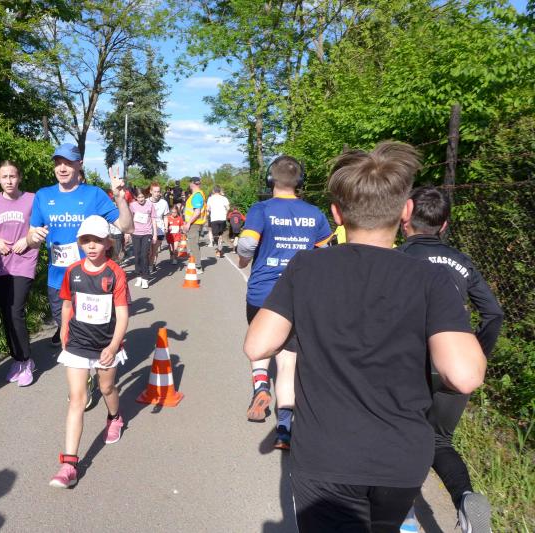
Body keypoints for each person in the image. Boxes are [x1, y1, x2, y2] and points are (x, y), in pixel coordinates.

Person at [243, 141, 486, 532]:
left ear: (337, 214)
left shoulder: (306, 267)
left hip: (325, 456)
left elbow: (258, 345)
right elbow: (465, 376)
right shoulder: (431, 279)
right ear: (405, 211)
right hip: (400, 459)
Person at [399, 186, 502, 533]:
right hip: (456, 362)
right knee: (439, 441)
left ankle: (404, 517)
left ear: (405, 217)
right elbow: (494, 314)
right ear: (444, 226)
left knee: (397, 432)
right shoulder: (462, 262)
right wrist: (476, 354)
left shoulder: (398, 258)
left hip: (410, 362)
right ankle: (465, 499)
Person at [237, 155, 331, 452]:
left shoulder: (261, 209)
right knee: (288, 362)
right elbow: (326, 252)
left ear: (270, 180)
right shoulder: (314, 213)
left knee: (260, 345)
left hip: (263, 292)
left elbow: (247, 244)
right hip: (299, 294)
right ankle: (284, 430)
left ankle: (260, 386)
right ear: (299, 181)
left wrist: (243, 260)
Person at [49, 216, 129, 488]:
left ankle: (114, 417)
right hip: (78, 343)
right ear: (79, 243)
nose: (91, 246)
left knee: (107, 388)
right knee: (77, 399)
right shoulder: (73, 271)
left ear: (108, 243)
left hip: (106, 343)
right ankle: (69, 465)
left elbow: (122, 314)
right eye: (86, 240)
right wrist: (63, 330)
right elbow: (67, 305)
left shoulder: (115, 273)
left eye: (97, 240)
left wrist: (113, 345)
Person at [27, 144, 133, 349]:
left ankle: (94, 362)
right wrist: (34, 237)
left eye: (68, 163)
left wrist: (121, 199)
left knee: (88, 334)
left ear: (79, 165)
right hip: (58, 279)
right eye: (58, 163)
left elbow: (127, 227)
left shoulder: (94, 195)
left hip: (92, 278)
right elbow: (31, 238)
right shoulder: (43, 196)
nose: (62, 168)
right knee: (67, 329)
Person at [0, 161, 38, 387]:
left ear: (19, 177)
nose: (9, 180)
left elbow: (41, 225)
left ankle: (26, 361)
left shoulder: (32, 199)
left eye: (12, 176)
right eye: (5, 177)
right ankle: (17, 359)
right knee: (6, 313)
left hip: (24, 261)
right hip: (1, 263)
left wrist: (27, 240)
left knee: (15, 311)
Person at [129, 188, 158, 289]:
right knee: (137, 256)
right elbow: (130, 219)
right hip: (135, 233)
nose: (141, 199)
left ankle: (145, 278)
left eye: (142, 197)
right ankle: (138, 276)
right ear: (135, 197)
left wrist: (155, 234)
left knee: (144, 255)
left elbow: (153, 220)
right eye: (139, 197)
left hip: (147, 233)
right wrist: (127, 233)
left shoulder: (150, 205)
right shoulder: (132, 205)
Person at [182, 177, 207, 272]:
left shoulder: (196, 196)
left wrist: (188, 223)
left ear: (191, 183)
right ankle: (194, 264)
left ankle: (198, 266)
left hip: (194, 224)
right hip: (196, 223)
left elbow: (197, 212)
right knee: (193, 244)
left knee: (193, 245)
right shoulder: (198, 194)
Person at [148, 182, 170, 271]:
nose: (157, 193)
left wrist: (166, 227)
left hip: (159, 229)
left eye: (158, 191)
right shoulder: (146, 201)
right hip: (148, 229)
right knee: (148, 251)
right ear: (151, 191)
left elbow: (165, 216)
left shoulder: (164, 203)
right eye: (155, 191)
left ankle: (151, 266)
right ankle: (149, 265)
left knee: (154, 250)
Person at [206, 185, 230, 257]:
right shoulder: (224, 198)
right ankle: (219, 249)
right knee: (220, 234)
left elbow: (208, 209)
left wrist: (211, 210)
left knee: (215, 235)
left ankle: (219, 249)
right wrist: (225, 213)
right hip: (222, 218)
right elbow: (228, 208)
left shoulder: (210, 198)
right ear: (219, 191)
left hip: (214, 218)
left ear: (213, 191)